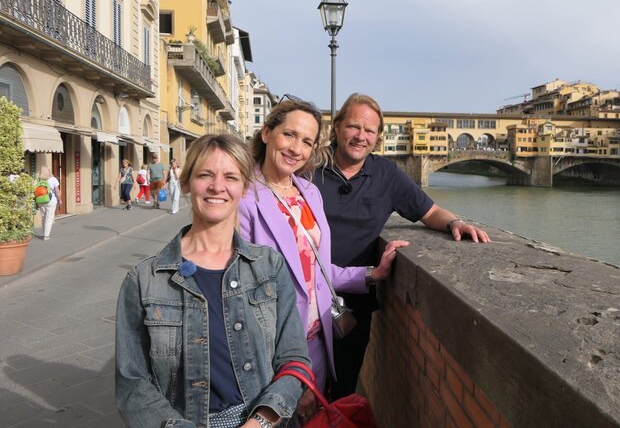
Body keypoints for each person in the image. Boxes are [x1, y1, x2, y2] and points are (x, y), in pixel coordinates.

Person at [116, 134, 311, 428]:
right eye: (205, 174)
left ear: (244, 187)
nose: (217, 186)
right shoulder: (144, 280)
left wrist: (260, 421)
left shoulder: (269, 266)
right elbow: (132, 384)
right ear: (186, 183)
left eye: (230, 177)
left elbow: (294, 359)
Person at [312, 92, 491, 398]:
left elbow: (430, 212)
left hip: (352, 304)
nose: (361, 136)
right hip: (301, 298)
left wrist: (453, 223)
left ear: (378, 137)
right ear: (337, 127)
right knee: (294, 389)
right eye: (354, 127)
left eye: (369, 131)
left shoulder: (387, 174)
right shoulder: (310, 168)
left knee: (341, 391)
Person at [238, 99, 407, 421]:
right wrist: (289, 375)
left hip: (318, 342)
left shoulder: (307, 192)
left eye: (307, 141)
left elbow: (314, 271)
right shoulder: (245, 199)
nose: (296, 148)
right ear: (266, 133)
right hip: (278, 353)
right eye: (289, 135)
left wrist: (372, 273)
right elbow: (242, 299)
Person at [37, 165, 60, 240]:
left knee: (43, 217)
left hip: (40, 200)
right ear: (49, 171)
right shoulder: (53, 179)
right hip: (51, 200)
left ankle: (44, 233)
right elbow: (57, 191)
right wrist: (60, 199)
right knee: (49, 218)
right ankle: (46, 235)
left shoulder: (38, 180)